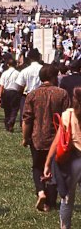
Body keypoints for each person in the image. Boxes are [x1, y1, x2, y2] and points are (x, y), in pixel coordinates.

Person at [23, 64, 70, 212]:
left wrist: (25, 138)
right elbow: (66, 117)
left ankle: (40, 191)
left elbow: (27, 119)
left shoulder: (32, 94)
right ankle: (50, 202)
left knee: (37, 166)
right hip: (56, 138)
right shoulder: (62, 94)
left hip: (37, 137)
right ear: (53, 77)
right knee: (55, 170)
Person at [44, 87, 81, 229]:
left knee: (67, 199)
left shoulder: (68, 115)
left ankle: (65, 226)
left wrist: (47, 163)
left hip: (72, 161)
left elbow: (58, 140)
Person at [0, 58, 21, 132]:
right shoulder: (18, 73)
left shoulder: (4, 73)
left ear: (8, 64)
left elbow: (1, 86)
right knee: (14, 109)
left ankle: (7, 123)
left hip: (6, 92)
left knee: (7, 109)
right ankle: (11, 121)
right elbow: (21, 84)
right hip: (15, 92)